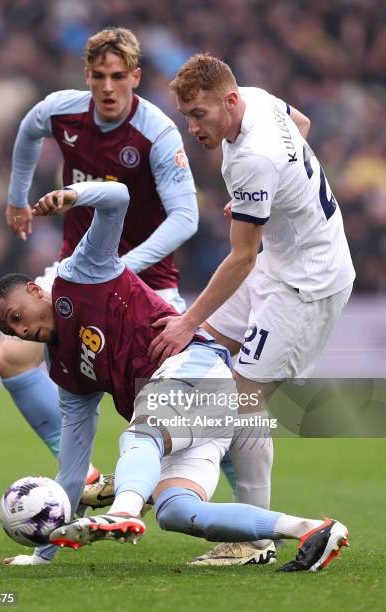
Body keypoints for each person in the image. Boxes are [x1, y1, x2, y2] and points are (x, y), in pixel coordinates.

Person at [0, 182, 349, 572]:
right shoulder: (64, 373)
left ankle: (122, 511)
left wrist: (75, 195)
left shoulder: (79, 272)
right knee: (176, 511)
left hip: (194, 369)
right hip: (191, 420)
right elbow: (74, 470)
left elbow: (119, 198)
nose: (20, 331)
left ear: (33, 290)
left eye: (16, 316)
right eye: (11, 330)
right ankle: (311, 529)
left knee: (139, 436)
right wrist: (41, 556)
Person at [146, 54, 355, 565]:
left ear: (230, 101)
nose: (193, 127)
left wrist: (187, 318)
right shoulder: (259, 100)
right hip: (279, 261)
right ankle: (182, 476)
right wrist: (261, 201)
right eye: (186, 116)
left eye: (199, 114)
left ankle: (251, 538)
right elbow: (300, 125)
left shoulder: (251, 157)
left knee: (240, 401)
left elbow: (241, 255)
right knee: (207, 355)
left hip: (307, 283)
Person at [0, 28, 198, 462]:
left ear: (136, 77)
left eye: (118, 76)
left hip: (145, 282)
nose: (108, 86)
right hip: (76, 273)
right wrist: (16, 199)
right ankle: (82, 478)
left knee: (196, 406)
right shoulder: (62, 112)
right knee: (12, 356)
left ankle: (253, 521)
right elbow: (29, 131)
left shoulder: (157, 133)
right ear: (87, 75)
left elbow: (186, 218)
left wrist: (123, 265)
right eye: (100, 75)